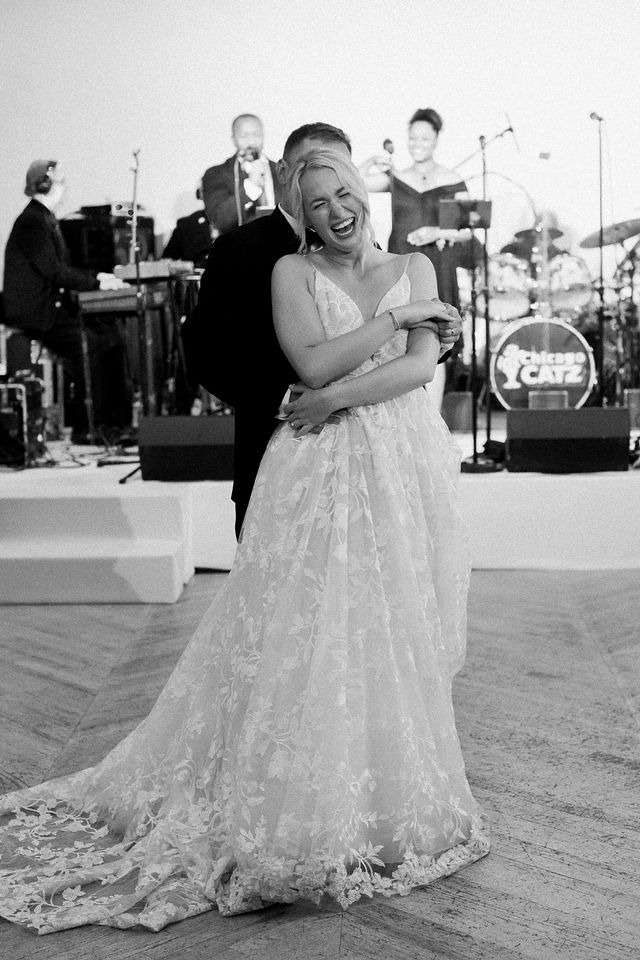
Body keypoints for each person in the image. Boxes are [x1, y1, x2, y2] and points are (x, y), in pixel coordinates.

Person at [0, 148, 488, 935]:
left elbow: (414, 375)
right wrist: (394, 324)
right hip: (317, 474)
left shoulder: (417, 263)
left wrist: (331, 397)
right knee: (309, 629)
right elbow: (311, 357)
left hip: (402, 468)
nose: (337, 209)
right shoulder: (291, 274)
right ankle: (302, 804)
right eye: (317, 201)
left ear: (364, 191)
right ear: (300, 214)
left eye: (344, 192)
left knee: (392, 623)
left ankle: (385, 799)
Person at [182, 122, 462, 538]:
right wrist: (286, 400)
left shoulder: (376, 248)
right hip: (277, 448)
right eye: (309, 173)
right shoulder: (239, 249)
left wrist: (441, 340)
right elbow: (205, 352)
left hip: (391, 455)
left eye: (339, 179)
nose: (334, 204)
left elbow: (407, 354)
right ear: (284, 174)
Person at [2, 160, 129, 442]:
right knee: (91, 343)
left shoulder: (43, 219)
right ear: (45, 185)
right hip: (35, 313)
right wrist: (98, 281)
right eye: (61, 182)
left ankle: (115, 422)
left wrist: (97, 279)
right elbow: (54, 272)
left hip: (49, 308)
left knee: (111, 336)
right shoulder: (33, 221)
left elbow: (59, 272)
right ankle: (90, 427)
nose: (65, 188)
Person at [201, 114, 281, 233]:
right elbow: (220, 220)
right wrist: (251, 186)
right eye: (244, 136)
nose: (251, 142)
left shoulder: (281, 170)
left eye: (257, 135)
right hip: (241, 246)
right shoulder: (217, 174)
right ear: (233, 139)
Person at [162, 186, 217, 268]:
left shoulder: (240, 223)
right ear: (201, 194)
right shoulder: (187, 225)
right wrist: (186, 267)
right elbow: (166, 262)